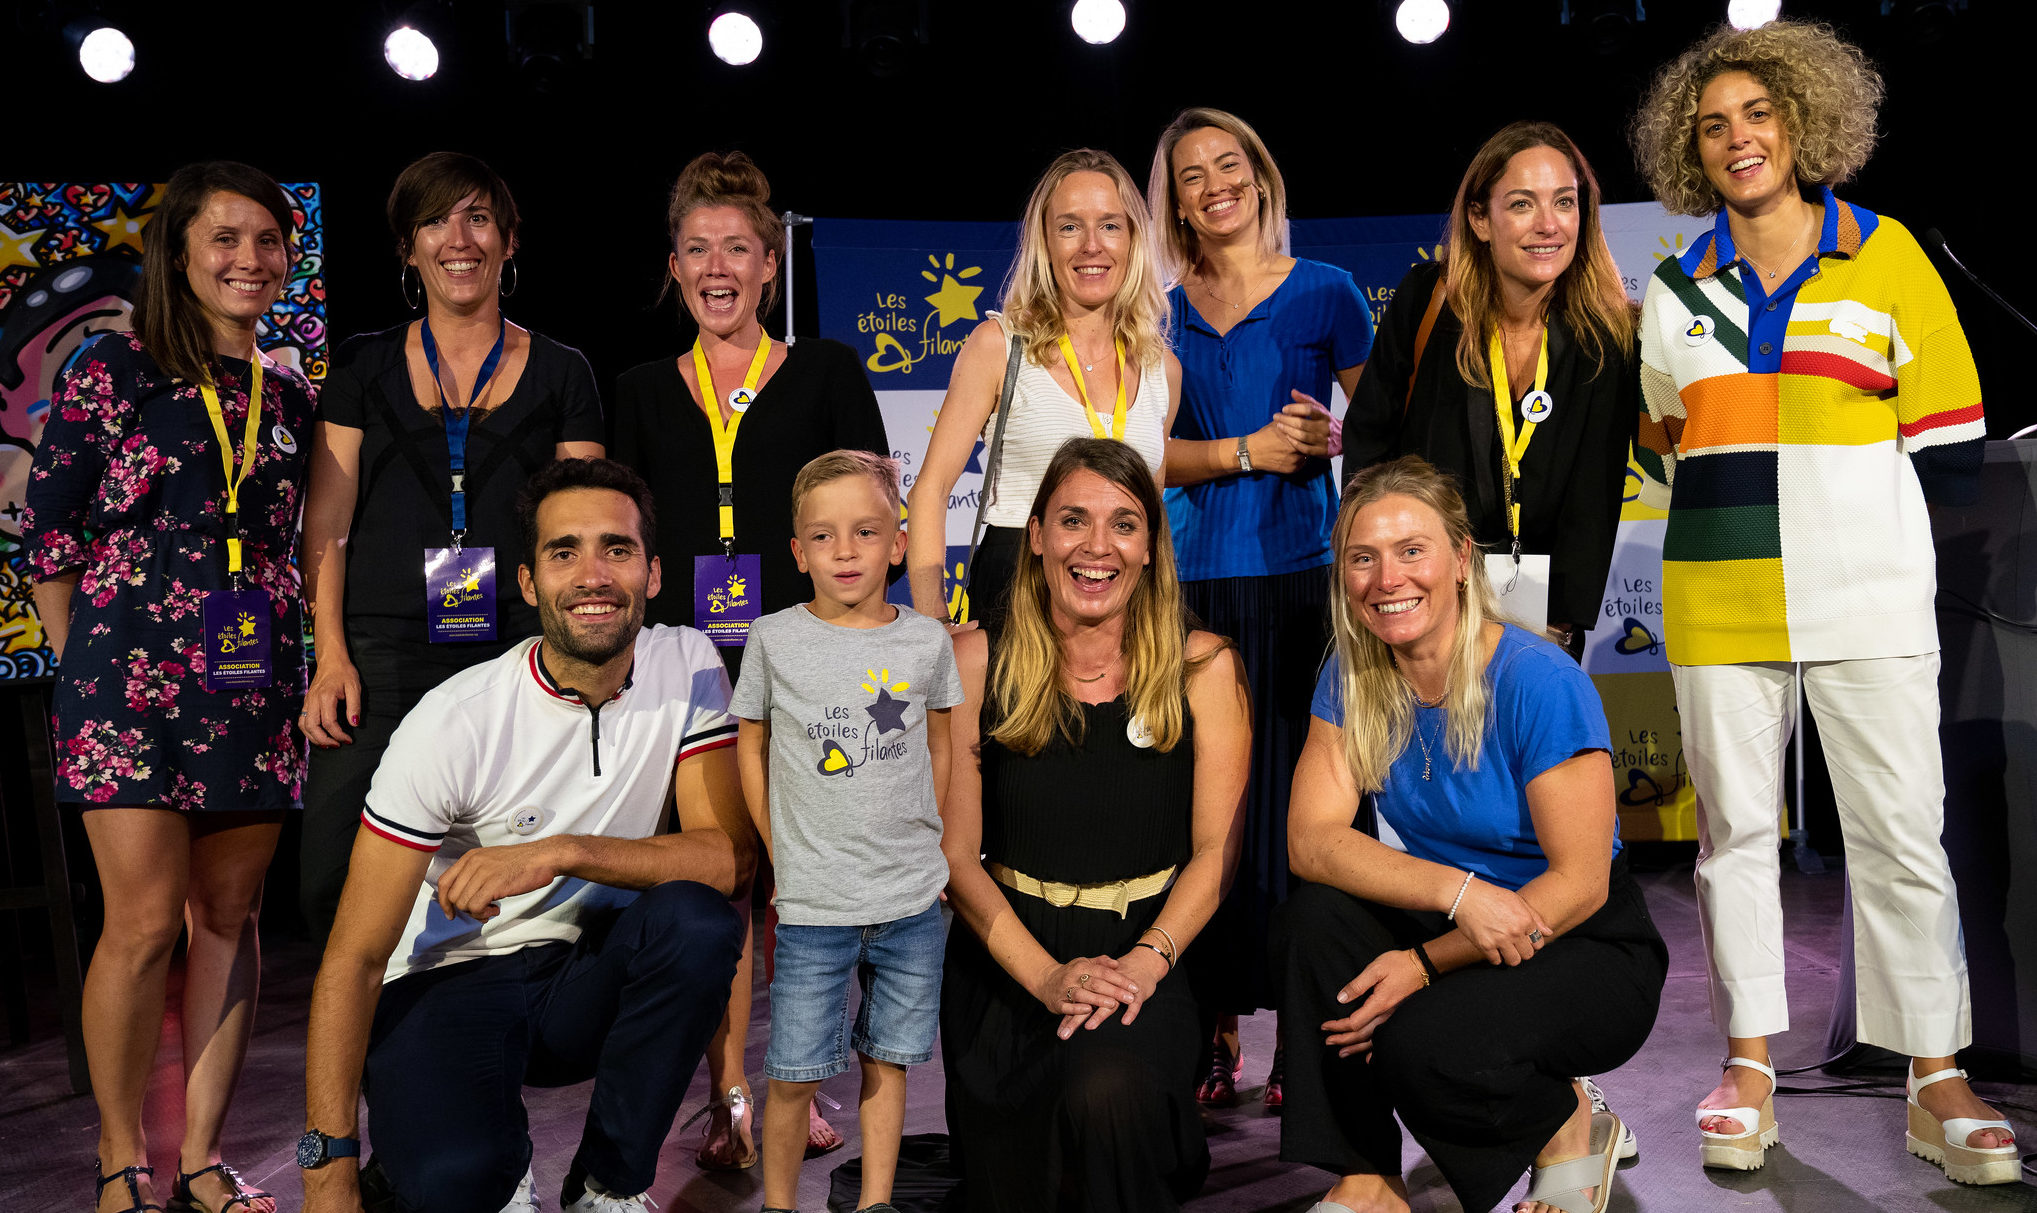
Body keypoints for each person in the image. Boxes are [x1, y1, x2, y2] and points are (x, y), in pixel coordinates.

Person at [1630, 19, 2018, 1184]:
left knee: (1900, 834)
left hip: (1867, 594)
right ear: (1690, 151)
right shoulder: (1672, 288)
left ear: (1803, 122)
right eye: (1713, 125)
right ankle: (1748, 1067)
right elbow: (1664, 444)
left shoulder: (1887, 255)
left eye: (1758, 113)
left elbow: (1949, 441)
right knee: (1735, 838)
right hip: (1719, 592)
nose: (1738, 137)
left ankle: (1935, 1076)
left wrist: (1858, 534)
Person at [297, 458, 752, 1213]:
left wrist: (557, 851)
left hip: (578, 978)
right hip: (448, 978)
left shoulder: (687, 662)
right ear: (529, 582)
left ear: (653, 573)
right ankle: (449, 1158)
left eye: (616, 549)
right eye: (563, 552)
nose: (593, 575)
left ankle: (609, 1185)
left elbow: (728, 859)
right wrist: (325, 1173)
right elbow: (354, 957)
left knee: (696, 922)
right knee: (458, 1184)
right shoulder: (454, 721)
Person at [23, 161, 312, 1213]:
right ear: (180, 252)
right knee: (143, 923)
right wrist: (84, 670)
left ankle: (201, 1160)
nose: (249, 259)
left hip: (251, 677)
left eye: (267, 240)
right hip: (127, 677)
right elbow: (49, 534)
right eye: (225, 238)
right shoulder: (117, 364)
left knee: (228, 917)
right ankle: (119, 1163)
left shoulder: (293, 396)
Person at [1279, 456, 1666, 1213]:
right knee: (1311, 926)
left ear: (1461, 559)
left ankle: (1565, 1125)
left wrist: (1424, 963)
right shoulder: (1352, 676)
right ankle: (1366, 1174)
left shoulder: (1537, 678)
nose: (1387, 578)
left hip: (1579, 938)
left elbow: (1580, 883)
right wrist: (1457, 895)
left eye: (1411, 550)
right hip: (1461, 911)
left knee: (1419, 1043)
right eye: (1363, 557)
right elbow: (1311, 840)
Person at [609, 149, 889, 1167]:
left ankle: (792, 1084)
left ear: (771, 265)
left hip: (807, 666)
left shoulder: (826, 372)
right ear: (674, 268)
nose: (716, 267)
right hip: (686, 674)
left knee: (800, 893)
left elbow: (871, 513)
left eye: (737, 248)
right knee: (720, 883)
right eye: (697, 249)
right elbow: (622, 538)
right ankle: (728, 1094)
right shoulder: (641, 390)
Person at [297, 151, 604, 945]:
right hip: (380, 655)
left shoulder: (563, 371)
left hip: (516, 652)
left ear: (509, 240)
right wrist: (329, 656)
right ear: (408, 248)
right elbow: (326, 522)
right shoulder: (361, 365)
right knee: (330, 878)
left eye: (477, 218)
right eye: (434, 221)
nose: (458, 239)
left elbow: (584, 525)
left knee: (517, 878)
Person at [941, 437, 1249, 1211]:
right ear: (1035, 534)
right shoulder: (974, 661)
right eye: (1073, 519)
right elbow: (955, 856)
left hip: (1145, 949)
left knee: (1106, 1089)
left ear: (1149, 547)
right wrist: (1045, 976)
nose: (1096, 546)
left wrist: (1146, 962)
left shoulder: (1203, 667)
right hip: (1008, 961)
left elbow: (1216, 851)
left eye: (1123, 523)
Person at [1146, 105, 1374, 1110]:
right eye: (1191, 175)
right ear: (1174, 202)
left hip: (1304, 583)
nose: (1214, 186)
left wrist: (1336, 439)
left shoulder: (1327, 291)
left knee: (1301, 814)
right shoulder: (1155, 314)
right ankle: (1213, 1024)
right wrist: (1246, 452)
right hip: (1192, 592)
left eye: (1228, 164)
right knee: (1205, 813)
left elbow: (1381, 430)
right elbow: (1140, 456)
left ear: (1260, 175)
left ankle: (1302, 1034)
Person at [730, 450, 962, 1213]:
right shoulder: (773, 638)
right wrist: (778, 847)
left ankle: (876, 1202)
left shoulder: (926, 641)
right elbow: (751, 745)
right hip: (813, 908)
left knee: (888, 1063)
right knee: (792, 1073)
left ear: (898, 542)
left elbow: (939, 745)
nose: (845, 550)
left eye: (865, 531)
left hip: (908, 905)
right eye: (823, 535)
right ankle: (779, 1204)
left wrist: (927, 838)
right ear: (798, 552)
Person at [1344, 121, 1637, 661]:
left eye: (1565, 202)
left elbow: (1594, 494)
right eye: (1522, 204)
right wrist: (1383, 583)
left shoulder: (1606, 335)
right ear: (1480, 219)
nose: (1548, 224)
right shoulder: (1425, 300)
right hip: (1418, 598)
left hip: (1542, 612)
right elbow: (1369, 449)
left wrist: (1561, 624)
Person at [908, 149, 1180, 633]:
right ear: (1045, 242)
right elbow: (930, 489)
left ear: (1134, 239)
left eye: (1110, 225)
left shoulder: (1163, 368)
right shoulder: (998, 346)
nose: (1091, 245)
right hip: (1016, 586)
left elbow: (1150, 515)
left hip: (1121, 597)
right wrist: (933, 625)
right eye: (1070, 226)